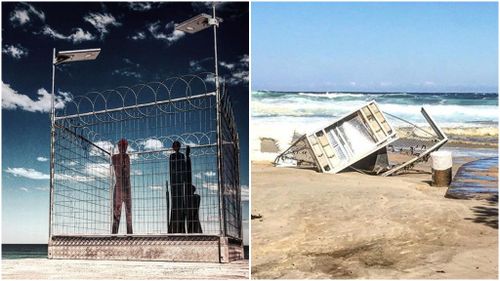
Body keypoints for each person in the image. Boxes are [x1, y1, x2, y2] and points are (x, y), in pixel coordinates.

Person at [111, 138, 133, 234]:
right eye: (121, 146)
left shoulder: (127, 157)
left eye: (125, 146)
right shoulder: (114, 157)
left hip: (126, 188)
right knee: (117, 212)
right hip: (120, 187)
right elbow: (119, 173)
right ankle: (114, 235)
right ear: (118, 147)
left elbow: (127, 173)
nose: (123, 148)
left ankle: (130, 235)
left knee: (128, 213)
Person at [168, 141, 187, 233]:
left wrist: (182, 178)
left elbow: (183, 168)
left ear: (179, 147)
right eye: (174, 146)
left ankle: (180, 227)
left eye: (177, 146)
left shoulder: (182, 156)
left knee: (180, 200)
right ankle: (174, 227)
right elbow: (171, 169)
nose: (175, 147)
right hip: (174, 181)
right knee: (174, 201)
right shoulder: (171, 156)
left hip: (179, 181)